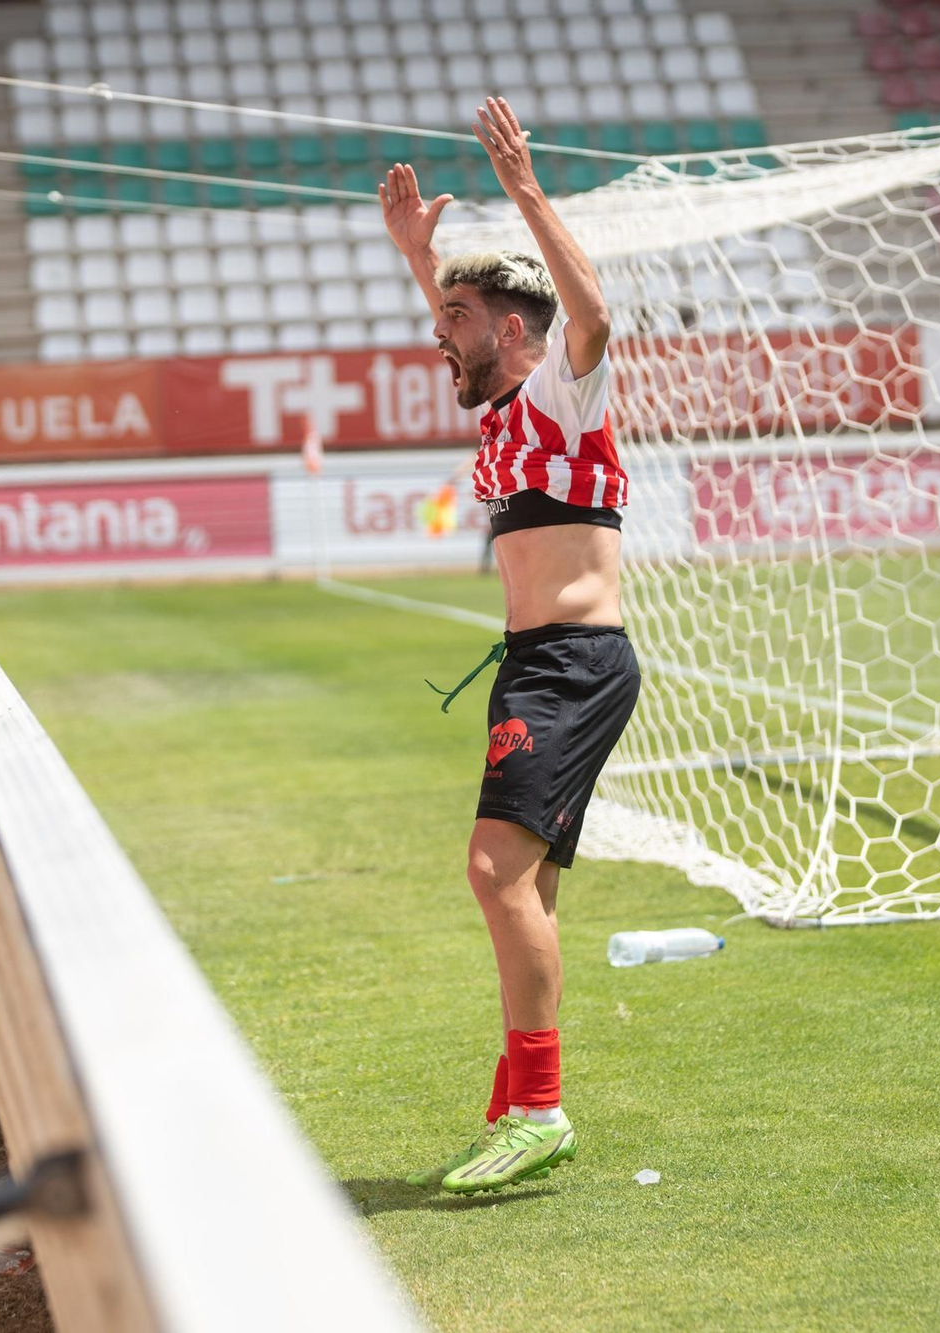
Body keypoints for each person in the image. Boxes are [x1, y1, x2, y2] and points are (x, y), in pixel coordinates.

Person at [379, 97, 642, 1194]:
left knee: (492, 872)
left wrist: (526, 193)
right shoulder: (498, 410)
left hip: (571, 666)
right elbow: (464, 331)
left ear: (514, 332)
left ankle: (537, 1106)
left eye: (457, 315)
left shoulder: (563, 393)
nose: (438, 327)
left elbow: (590, 317)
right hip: (540, 666)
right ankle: (517, 1099)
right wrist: (419, 257)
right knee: (521, 887)